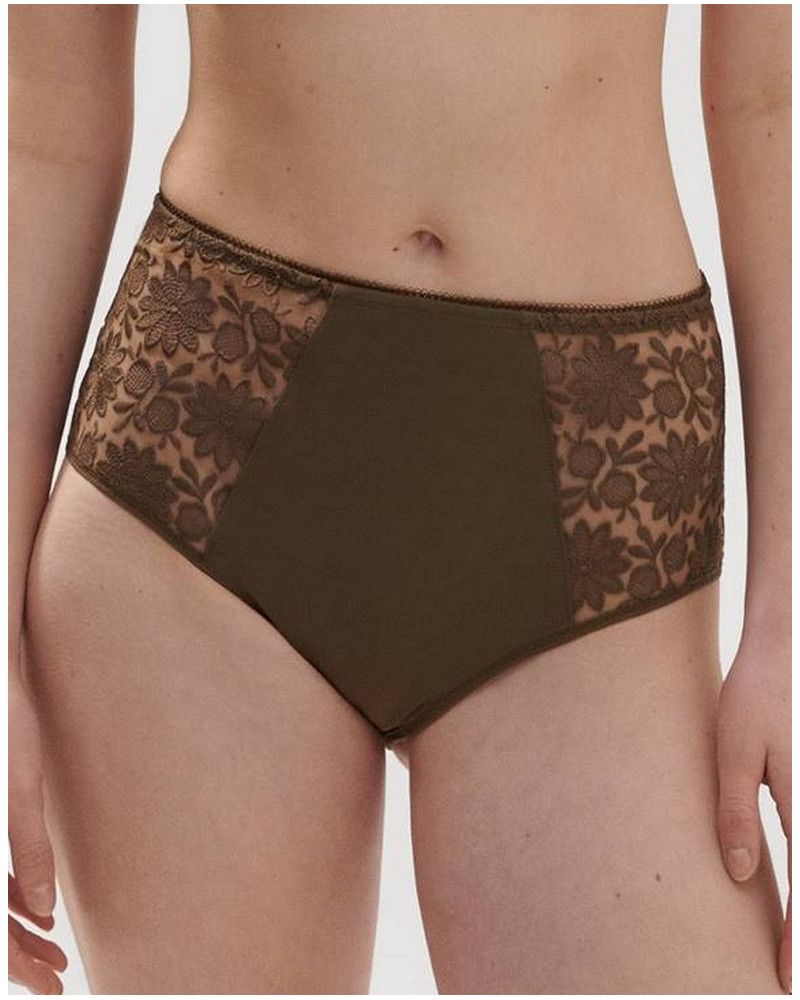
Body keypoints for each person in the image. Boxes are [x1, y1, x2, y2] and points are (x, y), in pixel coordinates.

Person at [9, 4, 790, 995]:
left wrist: (784, 618)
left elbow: (770, 100)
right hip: (205, 436)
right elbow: (48, 129)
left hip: (602, 470)